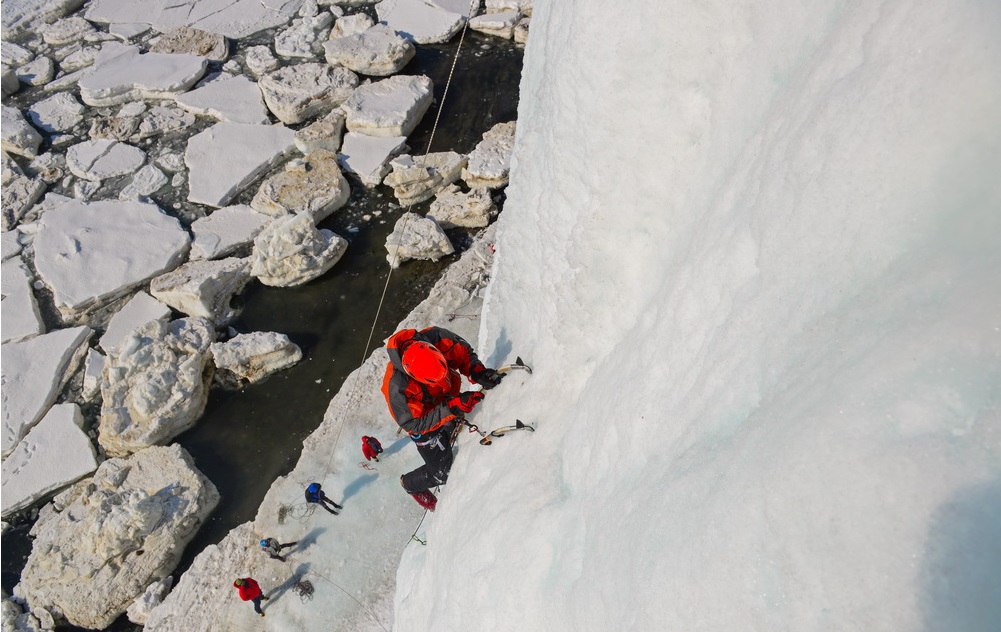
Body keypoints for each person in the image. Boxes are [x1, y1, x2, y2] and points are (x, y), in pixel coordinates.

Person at [381, 326, 504, 511]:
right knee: (442, 472)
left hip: (447, 399)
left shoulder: (436, 337)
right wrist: (451, 407)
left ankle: (449, 422)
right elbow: (413, 424)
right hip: (423, 424)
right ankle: (410, 484)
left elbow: (463, 354)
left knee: (453, 423)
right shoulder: (397, 388)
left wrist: (477, 371)